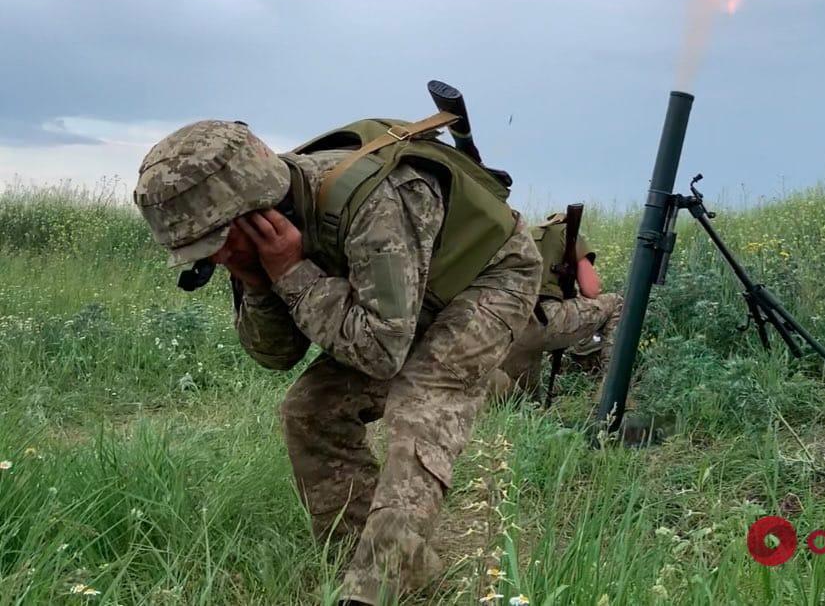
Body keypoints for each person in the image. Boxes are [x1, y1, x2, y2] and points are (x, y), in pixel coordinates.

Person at [133, 117, 541, 605]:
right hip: (396, 307)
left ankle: (378, 589)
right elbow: (275, 355)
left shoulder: (378, 202)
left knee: (422, 399)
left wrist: (291, 272)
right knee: (309, 409)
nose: (217, 259)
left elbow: (381, 353)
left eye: (217, 245)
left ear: (253, 210)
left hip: (488, 277)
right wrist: (263, 281)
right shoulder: (257, 231)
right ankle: (360, 559)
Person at [488, 210, 622, 402]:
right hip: (544, 319)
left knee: (525, 404)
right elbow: (591, 289)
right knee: (616, 302)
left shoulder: (522, 234)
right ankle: (610, 387)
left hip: (506, 325)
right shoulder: (567, 233)